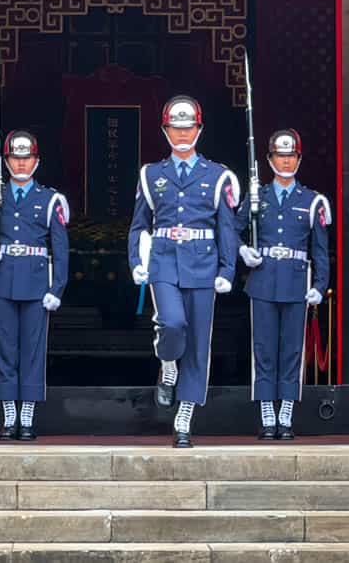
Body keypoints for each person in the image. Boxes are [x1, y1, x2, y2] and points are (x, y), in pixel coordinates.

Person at [128, 95, 240, 448]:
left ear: (199, 129)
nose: (182, 134)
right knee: (172, 323)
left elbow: (227, 227)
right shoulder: (151, 174)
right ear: (165, 130)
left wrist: (227, 268)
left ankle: (184, 417)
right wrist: (135, 262)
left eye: (188, 127)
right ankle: (168, 366)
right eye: (175, 128)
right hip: (163, 260)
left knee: (198, 345)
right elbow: (138, 225)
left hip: (202, 263)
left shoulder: (217, 175)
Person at [0, 130, 69, 441]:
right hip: (2, 279)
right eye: (15, 158)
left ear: (37, 161)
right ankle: (10, 415)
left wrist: (57, 288)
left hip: (37, 283)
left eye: (27, 158)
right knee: (5, 350)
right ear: (6, 161)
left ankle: (28, 416)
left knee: (33, 351)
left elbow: (60, 249)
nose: (21, 164)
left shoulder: (50, 200)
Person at [236, 129, 330, 440]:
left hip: (295, 281)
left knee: (291, 351)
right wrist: (241, 250)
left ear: (299, 159)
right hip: (262, 280)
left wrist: (320, 283)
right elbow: (231, 231)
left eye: (291, 156)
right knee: (264, 350)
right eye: (280, 155)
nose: (286, 161)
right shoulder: (256, 197)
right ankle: (266, 411)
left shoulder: (312, 200)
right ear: (269, 159)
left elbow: (319, 249)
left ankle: (286, 412)